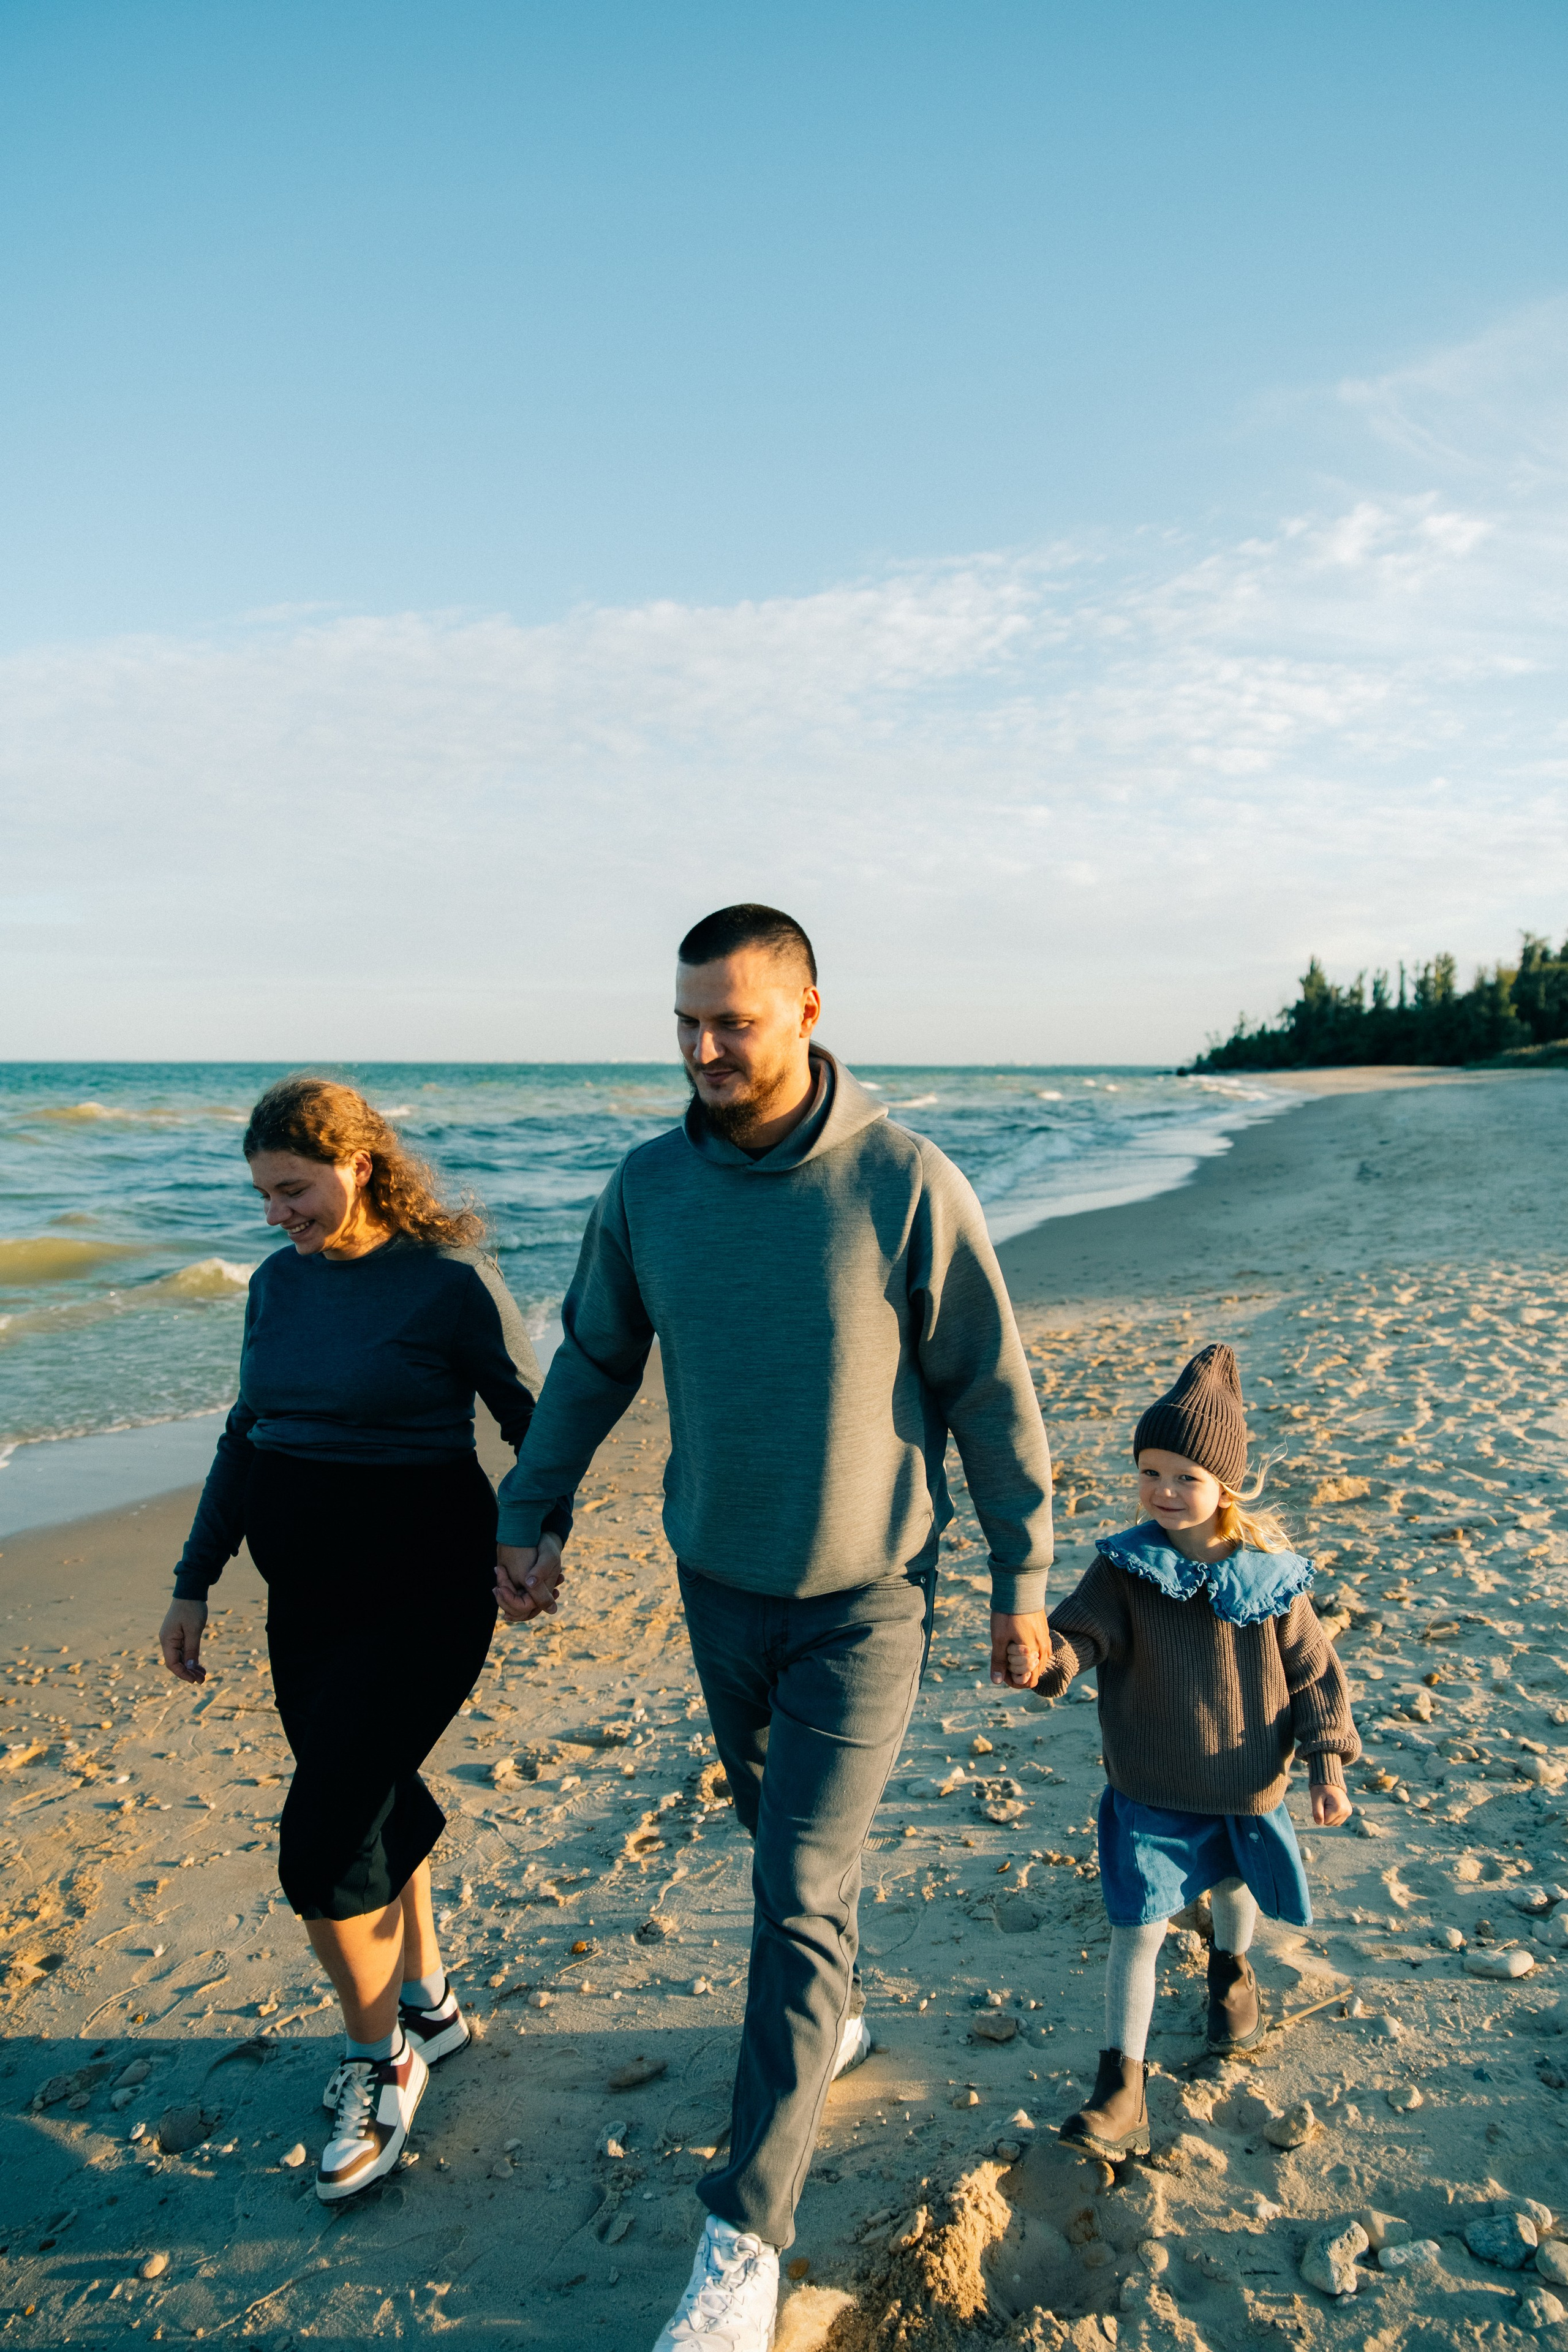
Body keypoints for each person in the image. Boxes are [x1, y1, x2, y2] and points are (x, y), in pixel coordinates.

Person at [492, 904, 1055, 2352]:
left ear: (806, 1011)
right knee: (782, 1850)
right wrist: (529, 1507)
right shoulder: (645, 1188)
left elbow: (988, 1391)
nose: (700, 1048)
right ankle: (828, 2030)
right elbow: (596, 1356)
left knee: (797, 1888)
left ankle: (742, 2239)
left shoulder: (903, 1183)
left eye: (729, 1021)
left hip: (868, 1596)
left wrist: (1020, 1574)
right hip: (715, 1587)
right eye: (682, 1021)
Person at [157, 1077, 568, 2204]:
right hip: (308, 1604)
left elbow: (533, 1422)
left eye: (292, 1190)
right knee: (370, 1792)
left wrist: (539, 1538)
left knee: (323, 1843)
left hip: (428, 1585)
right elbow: (247, 1437)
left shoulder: (447, 1285)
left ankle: (375, 2059)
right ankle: (427, 2007)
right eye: (263, 1195)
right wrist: (194, 1581)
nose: (275, 1214)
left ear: (359, 1167)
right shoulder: (275, 1288)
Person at [1037, 1343, 1357, 2161]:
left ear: (1226, 1487)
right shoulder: (1125, 1568)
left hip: (1247, 1784)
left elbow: (1316, 1675)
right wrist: (1053, 1661)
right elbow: (1082, 1633)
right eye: (1150, 1473)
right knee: (1138, 1929)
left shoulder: (1272, 1581)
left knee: (1232, 1887)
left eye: (1184, 1477)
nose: (1164, 1492)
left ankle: (1232, 1973)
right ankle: (1121, 2087)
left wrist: (1323, 1766)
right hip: (1149, 1788)